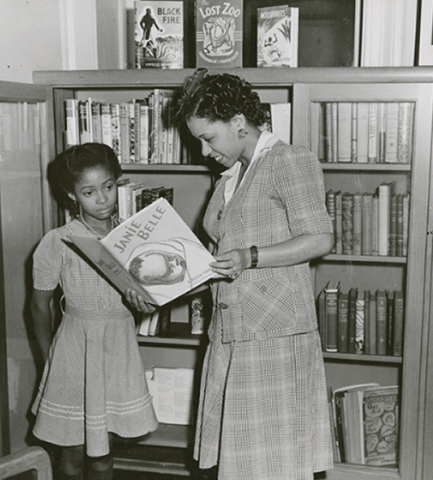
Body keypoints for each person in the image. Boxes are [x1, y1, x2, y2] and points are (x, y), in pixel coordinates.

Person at [174, 69, 335, 479]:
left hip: (274, 334)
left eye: (208, 138)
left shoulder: (287, 159)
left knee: (272, 466)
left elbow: (319, 239)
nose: (204, 151)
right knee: (242, 463)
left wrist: (251, 256)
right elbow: (221, 249)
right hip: (232, 330)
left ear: (238, 123)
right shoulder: (230, 175)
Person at [30, 143, 158, 480]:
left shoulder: (133, 237)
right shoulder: (58, 241)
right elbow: (38, 307)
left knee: (103, 454)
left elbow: (149, 295)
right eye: (88, 192)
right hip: (74, 352)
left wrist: (143, 304)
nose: (102, 199)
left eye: (109, 187)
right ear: (71, 195)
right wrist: (48, 362)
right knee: (70, 455)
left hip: (118, 351)